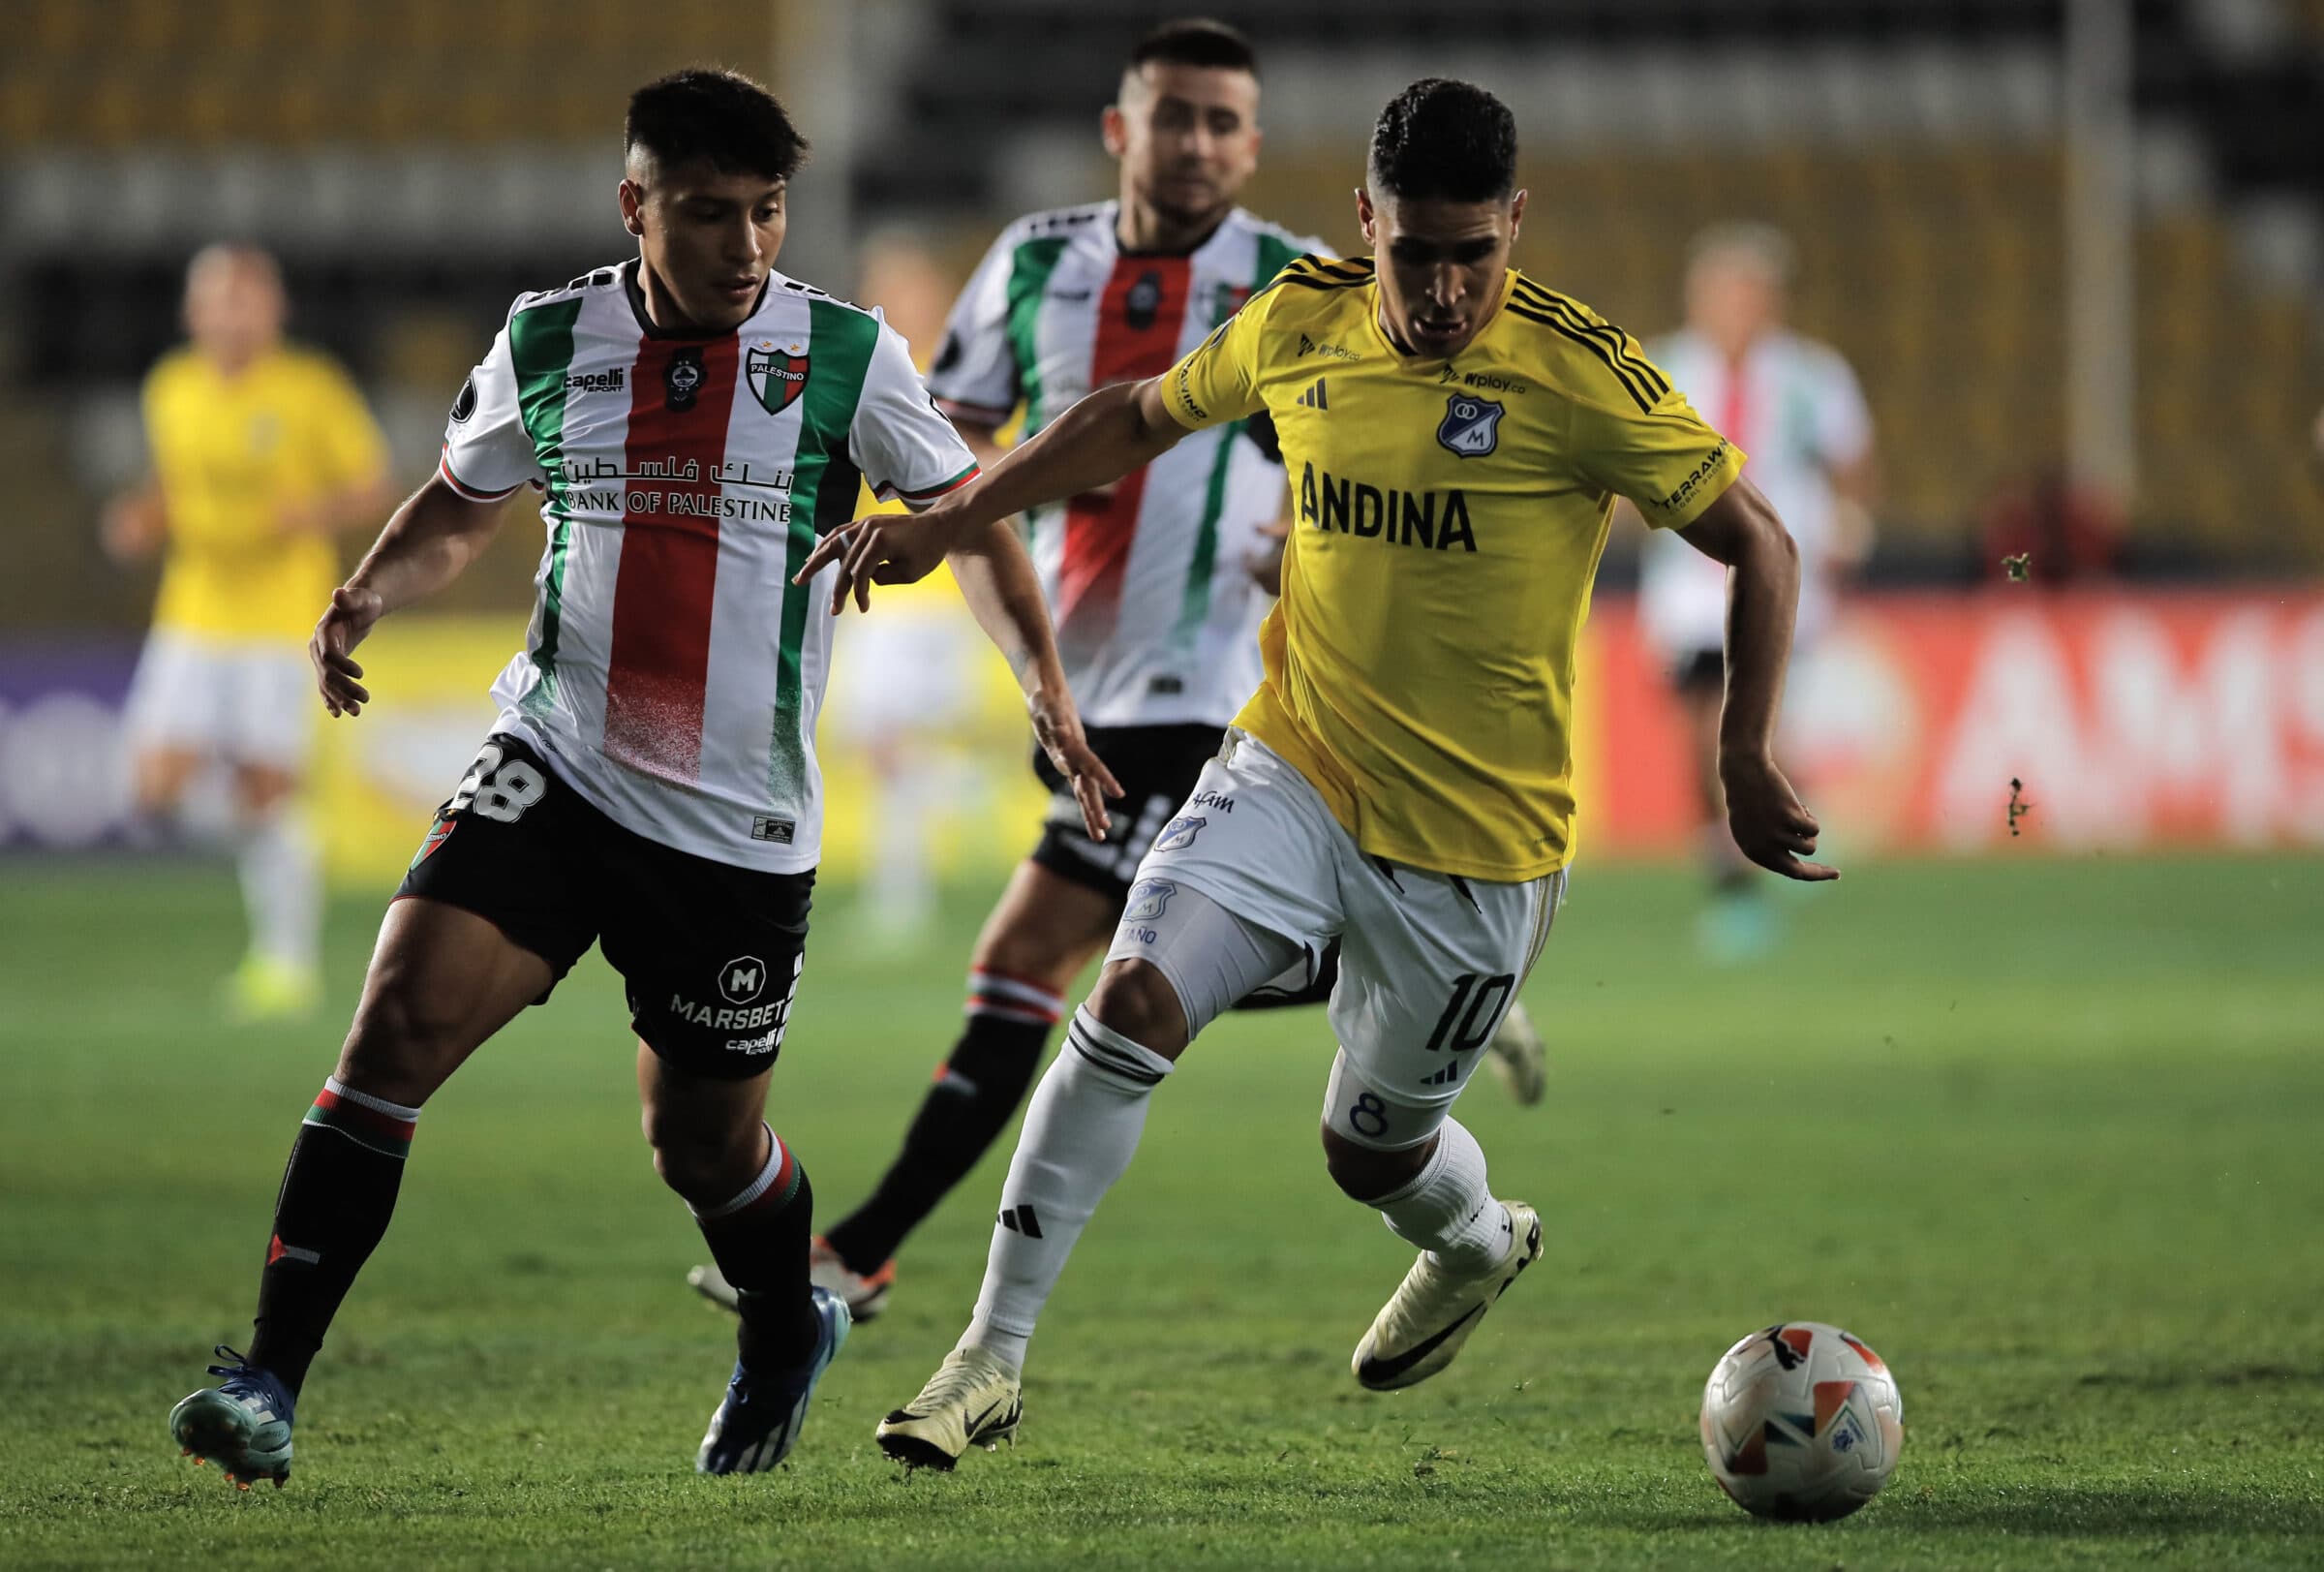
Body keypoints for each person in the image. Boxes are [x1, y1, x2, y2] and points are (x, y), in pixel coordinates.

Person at [807, 77, 1837, 1468]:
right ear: (1367, 221)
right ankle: (987, 1357)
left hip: (1483, 848)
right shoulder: (1302, 318)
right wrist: (954, 511)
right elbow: (1132, 415)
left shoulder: (1579, 373)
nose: (1446, 287)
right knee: (1126, 999)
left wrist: (1741, 752)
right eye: (1417, 253)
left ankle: (1478, 1240)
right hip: (1293, 767)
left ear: (1517, 227)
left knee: (1370, 1152)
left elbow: (1760, 542)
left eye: (1477, 252)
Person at [166, 67, 1116, 1489]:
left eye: (768, 213)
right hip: (554, 762)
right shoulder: (549, 338)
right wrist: (367, 588)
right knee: (392, 1029)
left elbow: (970, 520)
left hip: (736, 827)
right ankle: (268, 1378)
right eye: (709, 213)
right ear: (636, 205)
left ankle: (783, 1325)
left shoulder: (847, 358)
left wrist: (1044, 682)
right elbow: (463, 495)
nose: (746, 246)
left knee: (702, 1146)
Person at [688, 20, 1544, 1328]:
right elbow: (953, 450)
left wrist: (1293, 538)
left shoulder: (1295, 282)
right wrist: (985, 583)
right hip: (1089, 679)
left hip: (1222, 693)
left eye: (1222, 123)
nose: (1196, 143)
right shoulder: (1035, 264)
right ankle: (1428, 982)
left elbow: (1372, 462)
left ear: (1253, 147)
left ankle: (854, 1253)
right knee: (1105, 965)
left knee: (1032, 952)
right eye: (1174, 115)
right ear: (1119, 127)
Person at [103, 245, 391, 1020]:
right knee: (153, 788)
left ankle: (285, 966)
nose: (234, 313)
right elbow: (174, 479)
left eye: (249, 298)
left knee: (266, 789)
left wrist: (311, 513)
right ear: (193, 314)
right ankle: (285, 838)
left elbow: (373, 485)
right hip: (192, 613)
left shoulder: (310, 387)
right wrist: (143, 515)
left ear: (275, 310)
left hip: (280, 622)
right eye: (220, 300)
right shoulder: (170, 387)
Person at [1632, 223, 1874, 961]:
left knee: (1741, 733)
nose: (1737, 308)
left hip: (1775, 577)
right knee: (1699, 742)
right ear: (1698, 300)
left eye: (1750, 294)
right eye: (1723, 293)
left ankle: (1740, 888)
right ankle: (1748, 854)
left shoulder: (1812, 376)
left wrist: (1850, 528)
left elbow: (1854, 461)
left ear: (1772, 302)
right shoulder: (1658, 367)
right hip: (1686, 584)